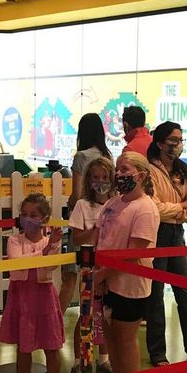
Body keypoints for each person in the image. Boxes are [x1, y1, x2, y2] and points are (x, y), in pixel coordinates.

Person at [94, 152, 160, 373]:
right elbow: (102, 240)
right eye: (118, 169)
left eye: (125, 169)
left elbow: (134, 252)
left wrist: (102, 275)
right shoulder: (112, 202)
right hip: (106, 281)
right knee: (110, 337)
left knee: (125, 338)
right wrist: (99, 276)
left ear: (141, 175)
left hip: (130, 284)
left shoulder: (145, 208)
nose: (119, 174)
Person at [145, 122, 187, 367]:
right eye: (172, 140)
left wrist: (176, 210)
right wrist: (180, 207)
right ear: (160, 143)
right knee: (156, 294)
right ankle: (158, 353)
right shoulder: (149, 171)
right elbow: (154, 209)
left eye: (180, 140)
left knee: (184, 291)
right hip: (157, 234)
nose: (177, 145)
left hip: (177, 234)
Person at [0, 194, 65, 373]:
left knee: (51, 344)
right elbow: (18, 262)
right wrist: (44, 251)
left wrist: (49, 248)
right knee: (24, 343)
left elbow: (51, 265)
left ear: (44, 219)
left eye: (33, 215)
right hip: (22, 298)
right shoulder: (14, 240)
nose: (28, 219)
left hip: (44, 298)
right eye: (24, 214)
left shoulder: (51, 242)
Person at [68, 156, 116, 373]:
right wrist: (96, 230)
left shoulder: (116, 204)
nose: (101, 182)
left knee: (106, 314)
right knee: (86, 313)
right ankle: (79, 361)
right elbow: (77, 237)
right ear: (89, 180)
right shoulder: (82, 206)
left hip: (110, 267)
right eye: (96, 177)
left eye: (105, 177)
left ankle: (103, 358)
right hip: (89, 268)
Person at [67, 114, 112, 314]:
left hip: (83, 228)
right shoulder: (107, 155)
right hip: (102, 248)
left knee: (70, 277)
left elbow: (76, 193)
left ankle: (58, 320)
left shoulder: (81, 156)